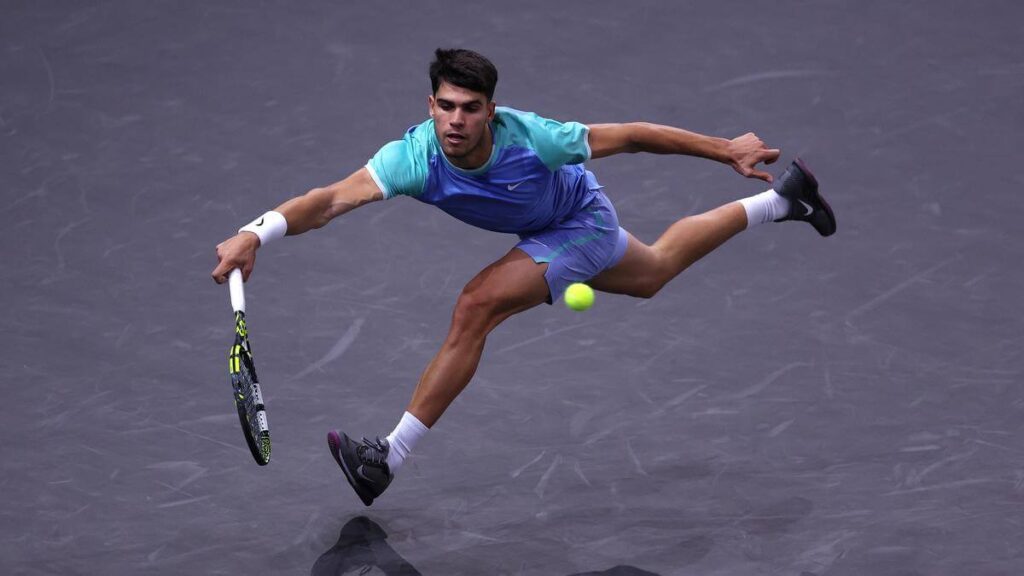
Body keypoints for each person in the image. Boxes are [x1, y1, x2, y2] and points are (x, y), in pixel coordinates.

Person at [211, 48, 836, 507]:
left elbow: (634, 137)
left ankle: (386, 458)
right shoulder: (411, 157)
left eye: (470, 109)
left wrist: (724, 148)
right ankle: (785, 201)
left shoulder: (535, 139)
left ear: (490, 111)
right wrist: (254, 231)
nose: (455, 121)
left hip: (580, 222)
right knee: (655, 271)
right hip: (544, 233)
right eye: (445, 107)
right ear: (430, 106)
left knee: (476, 304)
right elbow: (327, 201)